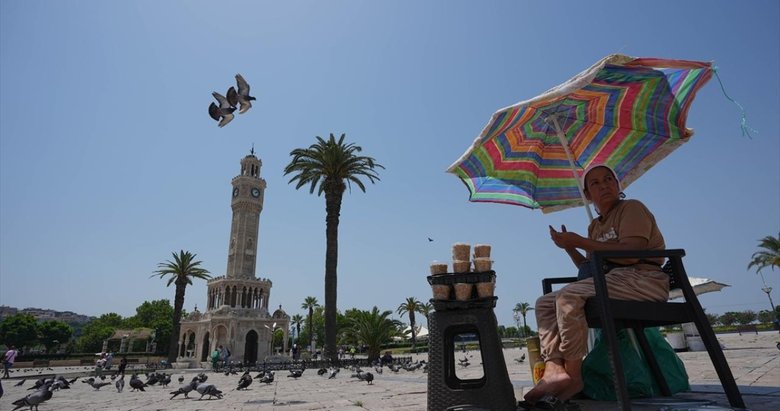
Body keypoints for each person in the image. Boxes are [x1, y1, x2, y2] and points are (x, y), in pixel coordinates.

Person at [523, 164, 669, 405]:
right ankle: (554, 369)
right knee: (545, 303)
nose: (604, 185)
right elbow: (589, 268)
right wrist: (570, 247)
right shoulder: (595, 226)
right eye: (596, 183)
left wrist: (580, 241)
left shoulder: (631, 208)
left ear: (617, 185)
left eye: (609, 179)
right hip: (612, 280)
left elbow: (631, 253)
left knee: (568, 296)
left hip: (643, 279)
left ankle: (573, 376)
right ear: (587, 194)